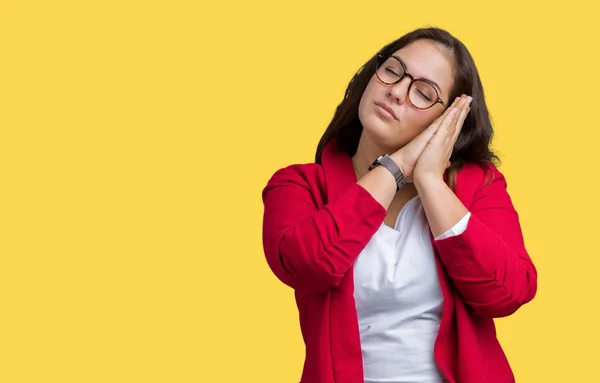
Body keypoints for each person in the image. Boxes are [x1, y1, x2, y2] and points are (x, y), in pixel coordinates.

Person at [261, 27, 537, 383]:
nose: (396, 91)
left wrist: (430, 182)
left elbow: (508, 293)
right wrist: (395, 168)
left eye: (423, 93)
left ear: (447, 121)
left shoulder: (478, 185)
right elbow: (306, 267)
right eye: (392, 71)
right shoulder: (299, 185)